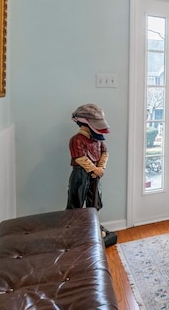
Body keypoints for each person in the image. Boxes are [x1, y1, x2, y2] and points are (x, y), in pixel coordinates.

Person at [66, 103, 116, 246]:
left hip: (96, 175)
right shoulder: (76, 140)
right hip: (81, 175)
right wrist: (94, 169)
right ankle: (73, 231)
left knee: (94, 201)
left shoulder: (98, 139)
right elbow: (80, 158)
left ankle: (92, 226)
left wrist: (100, 168)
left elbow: (105, 152)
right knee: (76, 201)